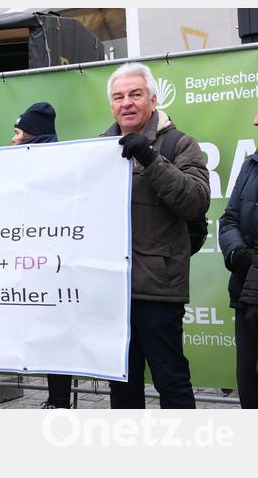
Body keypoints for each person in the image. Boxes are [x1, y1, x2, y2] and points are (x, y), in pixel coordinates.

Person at [101, 62, 209, 408]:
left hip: (158, 290)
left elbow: (195, 201)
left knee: (171, 382)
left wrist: (150, 158)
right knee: (121, 387)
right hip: (113, 291)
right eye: (118, 97)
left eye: (135, 94)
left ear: (153, 99)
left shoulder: (180, 144)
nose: (126, 103)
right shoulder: (99, 149)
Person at [9, 102, 72, 409]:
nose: (13, 139)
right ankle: (55, 399)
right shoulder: (24, 164)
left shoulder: (56, 164)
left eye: (18, 132)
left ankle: (59, 401)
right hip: (34, 264)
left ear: (33, 135)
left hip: (56, 266)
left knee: (56, 334)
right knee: (46, 335)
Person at [217, 113, 258, 409]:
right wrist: (237, 253)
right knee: (249, 376)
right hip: (247, 290)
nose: (255, 121)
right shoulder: (250, 164)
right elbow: (229, 218)